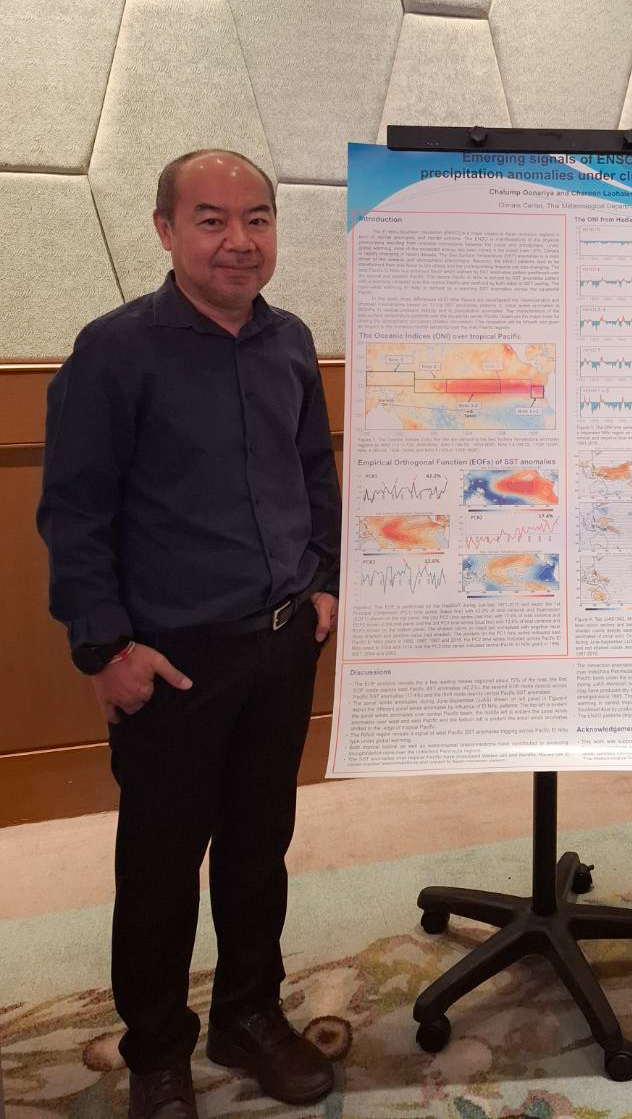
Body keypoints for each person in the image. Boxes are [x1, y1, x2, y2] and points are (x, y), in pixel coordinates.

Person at [38, 150, 342, 1119]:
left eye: (257, 219)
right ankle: (158, 1051)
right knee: (161, 869)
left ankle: (247, 1014)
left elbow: (312, 471)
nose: (238, 241)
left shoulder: (291, 341)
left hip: (281, 645)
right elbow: (74, 510)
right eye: (211, 220)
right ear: (166, 230)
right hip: (170, 663)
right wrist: (104, 648)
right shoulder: (114, 351)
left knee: (258, 848)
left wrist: (324, 580)